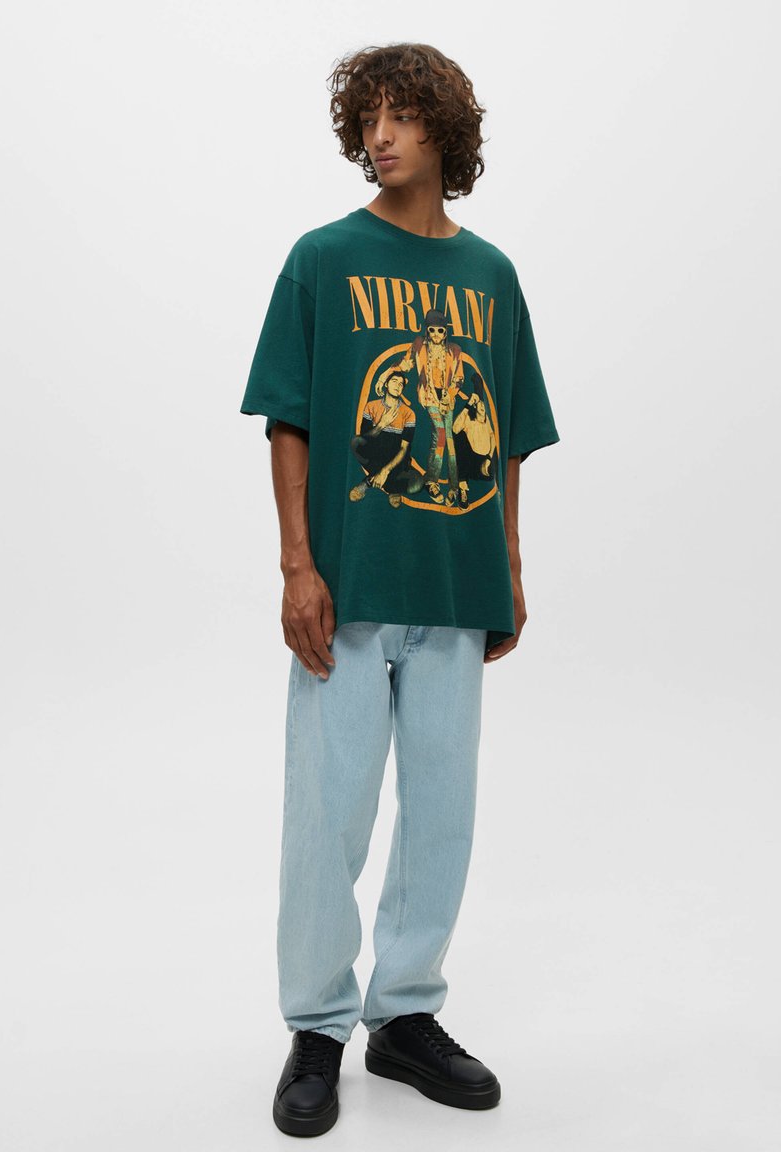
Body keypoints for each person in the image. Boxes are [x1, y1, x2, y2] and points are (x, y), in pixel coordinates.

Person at [239, 42, 560, 1139]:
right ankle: (317, 1026)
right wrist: (297, 565)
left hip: (453, 585)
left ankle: (406, 1015)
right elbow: (287, 417)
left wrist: (507, 567)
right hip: (349, 584)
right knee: (325, 817)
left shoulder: (490, 278)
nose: (379, 135)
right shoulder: (323, 259)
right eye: (366, 118)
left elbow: (502, 434)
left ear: (443, 131)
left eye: (401, 116)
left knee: (442, 816)